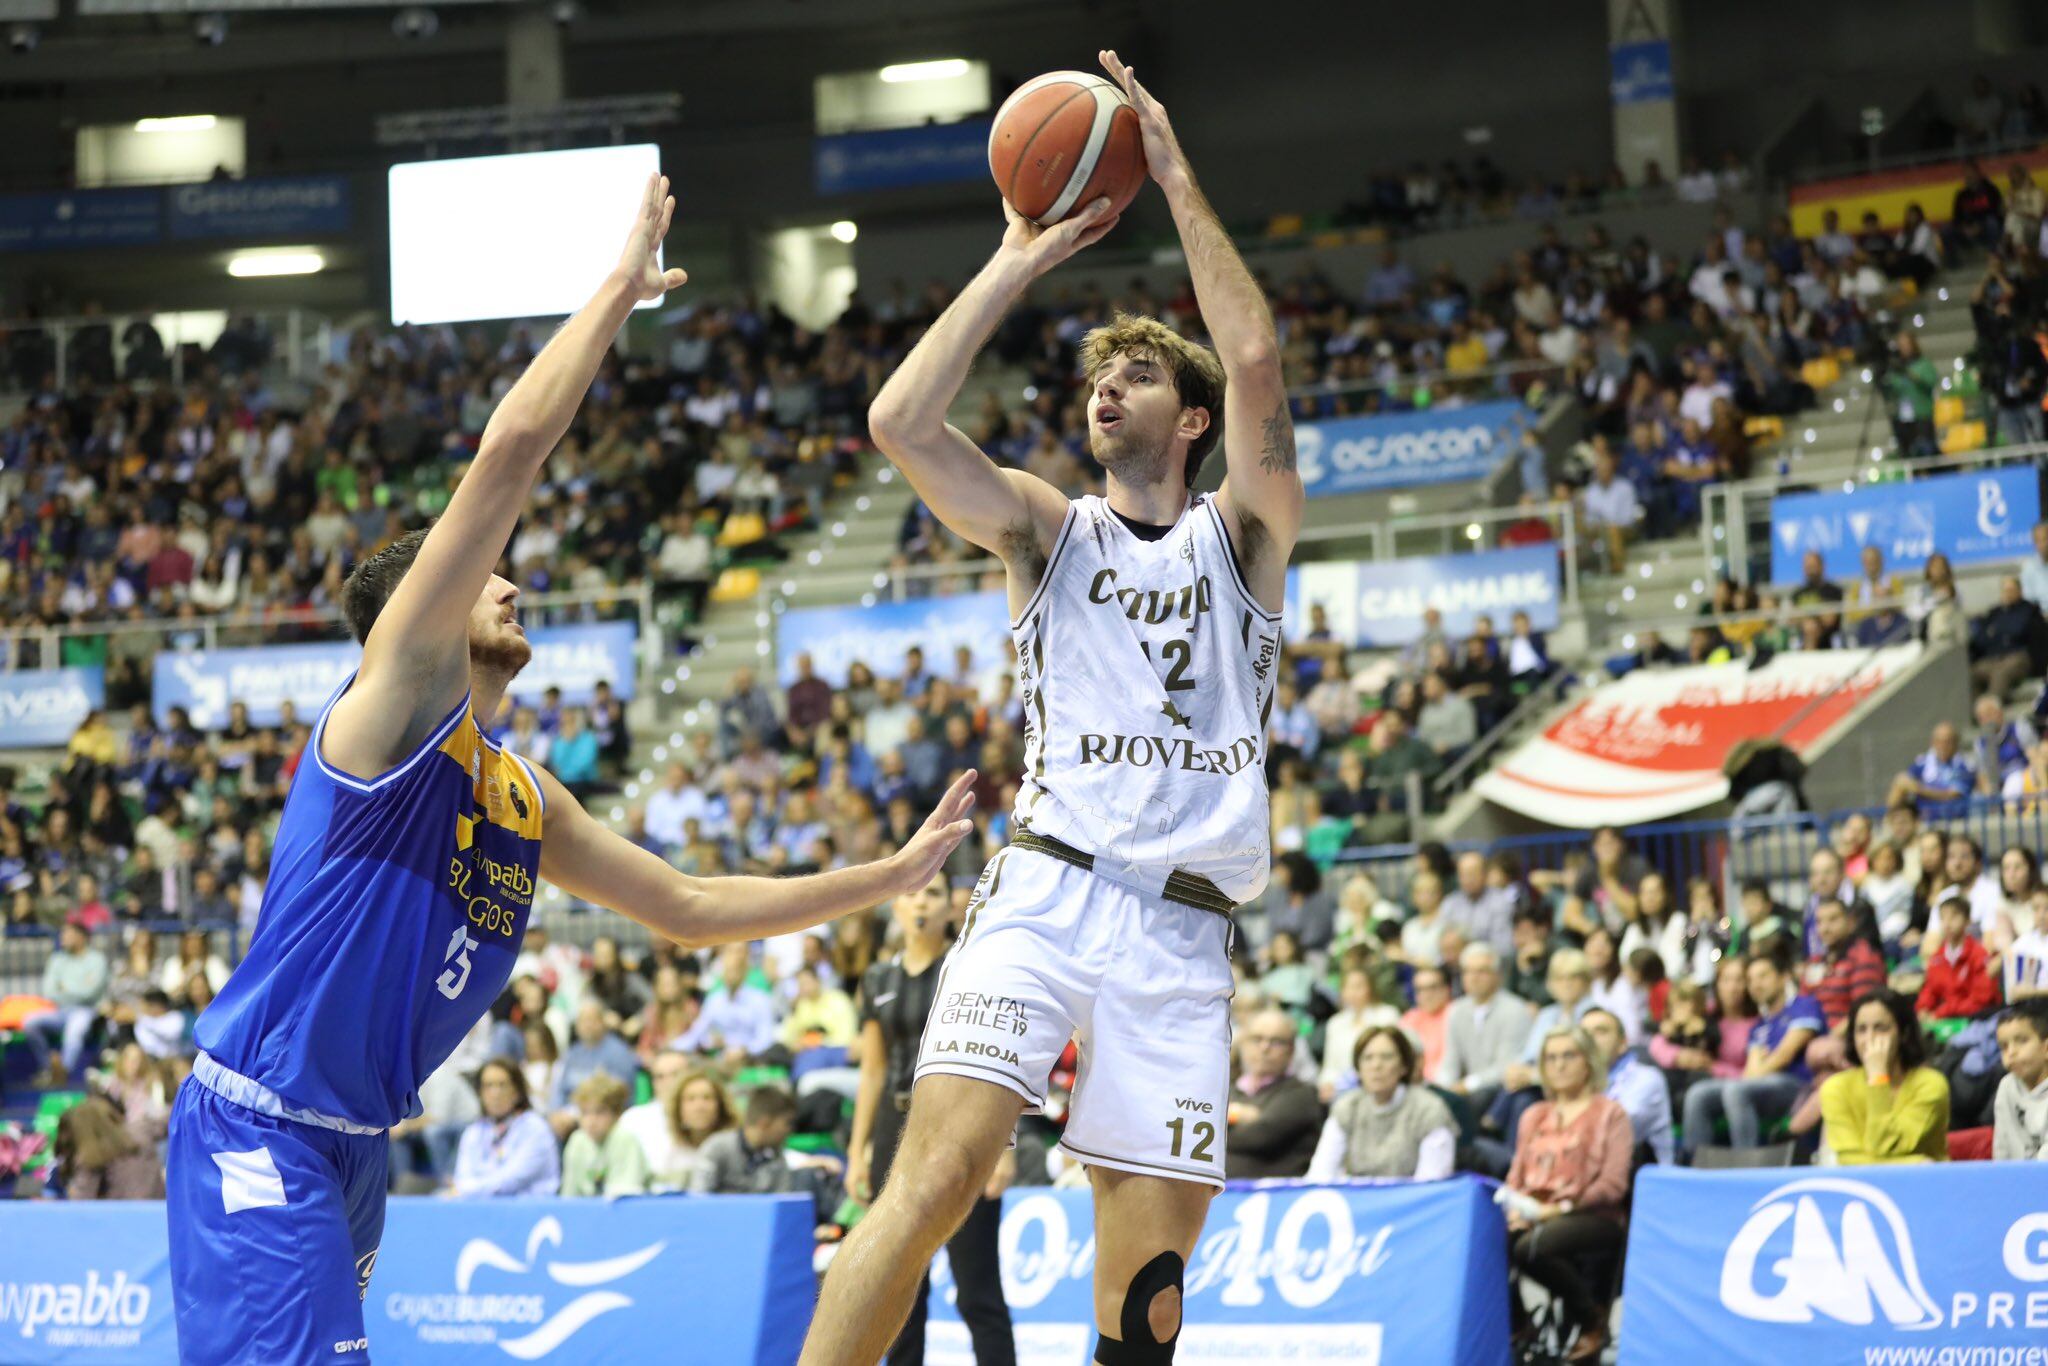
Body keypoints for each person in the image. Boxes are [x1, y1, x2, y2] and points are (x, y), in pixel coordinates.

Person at [165, 175, 978, 1366]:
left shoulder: (520, 794)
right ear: (414, 618)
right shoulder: (384, 720)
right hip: (259, 1122)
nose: (509, 580)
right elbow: (510, 451)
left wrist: (886, 875)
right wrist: (616, 291)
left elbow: (691, 909)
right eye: (479, 576)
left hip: (355, 1141)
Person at [804, 53, 1305, 1366]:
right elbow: (901, 418)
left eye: (1139, 371)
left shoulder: (1243, 539)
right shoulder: (1045, 525)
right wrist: (1021, 252)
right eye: (1101, 371)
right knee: (930, 1186)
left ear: (1191, 419)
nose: (1108, 382)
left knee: (1142, 1309)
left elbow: (1253, 353)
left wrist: (1176, 175)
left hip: (1183, 931)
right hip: (1048, 889)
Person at [846, 875, 1015, 1366]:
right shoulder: (878, 978)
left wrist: (1004, 1144)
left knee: (976, 1288)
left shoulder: (969, 965)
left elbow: (1000, 1057)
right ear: (896, 908)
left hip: (960, 1130)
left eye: (934, 893)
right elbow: (873, 1071)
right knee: (897, 1288)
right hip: (891, 1131)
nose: (922, 900)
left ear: (950, 909)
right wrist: (858, 1153)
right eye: (912, 893)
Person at [1502, 1026, 1634, 1362]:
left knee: (1534, 1246)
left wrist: (1560, 1208)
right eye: (1551, 1058)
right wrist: (1515, 1209)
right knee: (1485, 1241)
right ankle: (1518, 1324)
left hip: (1592, 1216)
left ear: (1587, 1061)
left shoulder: (1611, 1114)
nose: (1559, 1065)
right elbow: (1515, 1176)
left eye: (1568, 1056)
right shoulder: (1534, 1115)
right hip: (1534, 1212)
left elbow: (1613, 1184)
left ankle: (1592, 1319)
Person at [1682, 952, 1823, 1157]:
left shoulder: (1803, 1005)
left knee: (1735, 1090)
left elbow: (1785, 1055)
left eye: (1763, 976)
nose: (1756, 984)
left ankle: (1746, 1165)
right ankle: (1691, 1166)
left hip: (1798, 1086)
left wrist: (1762, 1065)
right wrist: (1760, 1067)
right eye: (1750, 979)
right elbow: (1751, 1070)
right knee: (1699, 1093)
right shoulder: (1759, 1026)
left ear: (1783, 977)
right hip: (1764, 1086)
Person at [1305, 1026, 1457, 1180]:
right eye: (1367, 1058)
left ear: (1404, 1066)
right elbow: (1319, 1174)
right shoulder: (1347, 1108)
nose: (1376, 1066)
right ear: (1358, 1068)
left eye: (1386, 1057)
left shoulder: (1429, 1109)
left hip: (1411, 1200)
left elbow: (1432, 1182)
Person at [1819, 989, 1949, 1165]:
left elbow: (1887, 1146)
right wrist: (1917, 1162)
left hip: (1923, 1187)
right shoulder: (1836, 1088)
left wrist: (1877, 1078)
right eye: (1861, 1030)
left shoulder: (1930, 1084)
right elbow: (1848, 1161)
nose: (1869, 1039)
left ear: (1904, 1033)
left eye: (1881, 1028)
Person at [1223, 1007, 1323, 1178]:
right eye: (1256, 1039)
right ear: (1242, 1044)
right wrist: (1238, 1113)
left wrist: (1219, 1120)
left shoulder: (1302, 1095)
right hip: (1221, 1198)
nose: (1264, 1048)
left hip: (1276, 1200)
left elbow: (1259, 1136)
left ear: (1291, 1051)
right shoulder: (1226, 1090)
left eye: (1276, 1041)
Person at [1437, 943, 1536, 1113]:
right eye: (1468, 971)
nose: (1473, 977)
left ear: (1497, 975)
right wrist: (1443, 1088)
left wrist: (1468, 1084)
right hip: (1467, 1090)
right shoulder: (1455, 1010)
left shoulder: (1515, 1010)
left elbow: (1506, 1066)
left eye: (1481, 971)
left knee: (1479, 1098)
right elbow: (1450, 1060)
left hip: (1499, 1091)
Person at [450, 1058, 560, 1198]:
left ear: (517, 1091)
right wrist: (464, 1188)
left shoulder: (535, 1128)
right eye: (488, 1086)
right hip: (484, 1211)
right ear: (480, 1093)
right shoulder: (474, 1132)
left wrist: (466, 1190)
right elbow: (462, 1177)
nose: (495, 1093)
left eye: (502, 1085)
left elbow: (511, 1180)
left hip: (530, 1212)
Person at [1580, 1006, 1672, 1164]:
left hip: (1642, 1180)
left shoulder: (1647, 1078)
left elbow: (1615, 1129)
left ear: (1623, 1042)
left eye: (1600, 1031)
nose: (1591, 1040)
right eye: (1584, 1034)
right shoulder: (1576, 1083)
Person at [23, 922, 108, 1084]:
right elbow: (50, 992)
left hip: (87, 1010)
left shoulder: (97, 959)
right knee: (30, 1022)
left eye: (67, 934)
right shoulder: (57, 959)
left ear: (81, 937)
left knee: (75, 1029)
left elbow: (90, 993)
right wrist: (79, 988)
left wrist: (64, 989)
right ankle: (50, 1068)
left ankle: (64, 1072)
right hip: (60, 1011)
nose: (62, 938)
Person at [55, 1096, 167, 1200]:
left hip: (120, 1218)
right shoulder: (142, 1131)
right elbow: (175, 1120)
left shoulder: (90, 1158)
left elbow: (80, 1204)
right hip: (160, 1212)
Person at [1317, 966, 1403, 1100]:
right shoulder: (1335, 1023)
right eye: (1348, 987)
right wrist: (1327, 1083)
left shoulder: (1388, 1015)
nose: (1353, 992)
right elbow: (1330, 1066)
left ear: (1370, 988)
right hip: (1342, 1090)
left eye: (1359, 986)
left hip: (1379, 1085)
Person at [559, 1073, 650, 1196]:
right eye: (585, 1112)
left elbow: (625, 1194)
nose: (591, 1121)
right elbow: (569, 1194)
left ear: (616, 1114)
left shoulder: (625, 1139)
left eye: (599, 1112)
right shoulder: (577, 1141)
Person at [1917, 897, 2000, 1021]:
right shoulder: (1937, 958)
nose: (1947, 924)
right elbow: (1930, 989)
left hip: (1977, 1018)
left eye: (1954, 917)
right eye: (1943, 918)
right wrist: (1923, 1009)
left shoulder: (1979, 954)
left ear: (1968, 921)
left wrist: (1941, 1012)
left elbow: (1981, 999)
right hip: (1945, 1018)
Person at [1992, 998, 2048, 1160]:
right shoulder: (2007, 1086)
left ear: (2046, 1048)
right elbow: (2001, 1150)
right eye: (2004, 1046)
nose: (2011, 1053)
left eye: (2021, 1041)